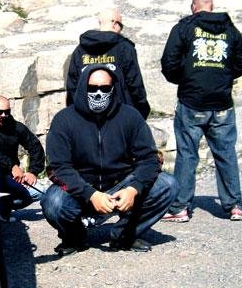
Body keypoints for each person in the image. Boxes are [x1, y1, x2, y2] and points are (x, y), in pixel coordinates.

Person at [41, 65, 178, 257]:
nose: (98, 94)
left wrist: (134, 188)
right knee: (53, 202)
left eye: (105, 88)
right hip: (81, 188)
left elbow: (149, 158)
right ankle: (74, 237)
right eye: (92, 88)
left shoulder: (130, 116)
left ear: (113, 88)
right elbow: (58, 168)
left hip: (121, 186)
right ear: (83, 87)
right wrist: (90, 194)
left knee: (168, 185)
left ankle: (124, 236)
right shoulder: (64, 120)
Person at [161, 0, 242, 223]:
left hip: (192, 101)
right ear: (212, 5)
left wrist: (187, 79)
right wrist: (222, 78)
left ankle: (180, 207)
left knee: (187, 154)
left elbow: (169, 62)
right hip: (222, 102)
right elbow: (240, 63)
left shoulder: (184, 28)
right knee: (226, 153)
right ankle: (235, 206)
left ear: (193, 7)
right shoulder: (230, 29)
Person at [65, 6, 150, 119]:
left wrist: (75, 114)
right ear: (115, 23)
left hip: (88, 115)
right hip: (120, 114)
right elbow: (134, 83)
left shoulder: (80, 50)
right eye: (121, 26)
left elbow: (72, 86)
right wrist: (142, 109)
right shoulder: (124, 47)